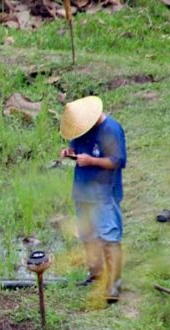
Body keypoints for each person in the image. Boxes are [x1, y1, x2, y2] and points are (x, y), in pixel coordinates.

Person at [59, 95, 127, 302]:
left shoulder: (111, 129)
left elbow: (118, 161)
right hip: (82, 190)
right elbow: (76, 147)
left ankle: (114, 282)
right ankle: (96, 273)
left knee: (109, 236)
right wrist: (70, 152)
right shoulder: (80, 129)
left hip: (104, 191)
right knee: (87, 234)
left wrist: (92, 161)